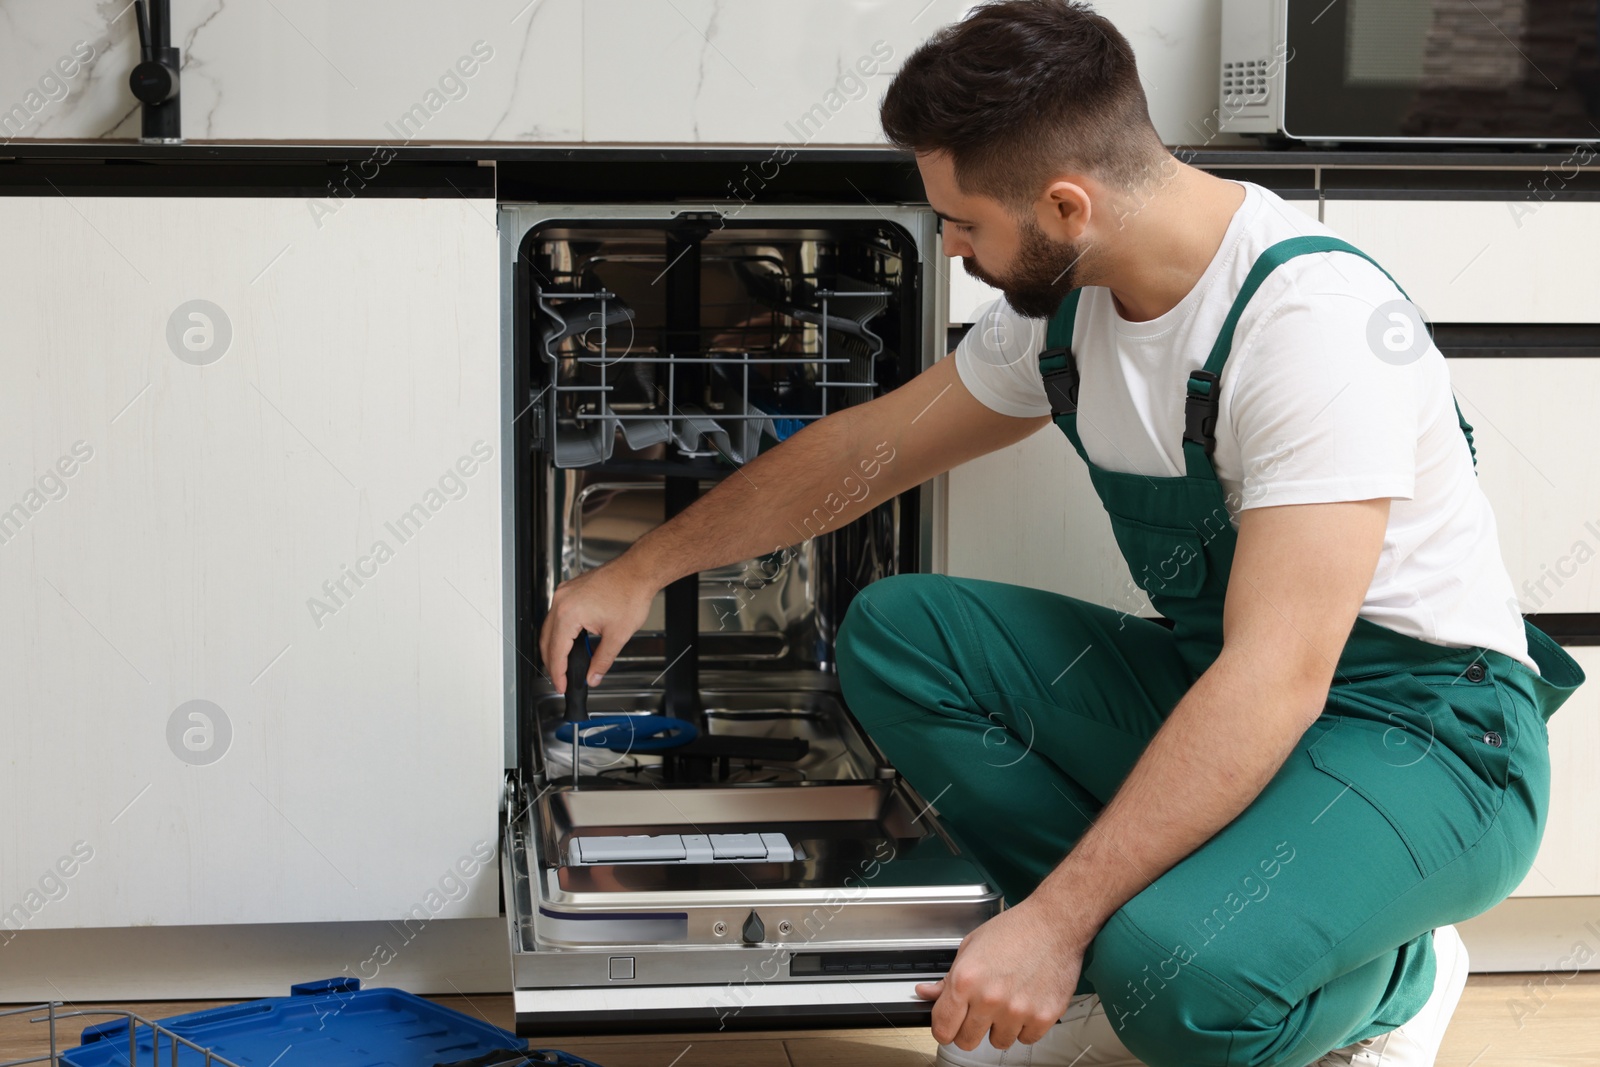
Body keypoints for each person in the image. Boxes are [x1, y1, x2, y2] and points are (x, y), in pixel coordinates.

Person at [538, 2, 1584, 1064]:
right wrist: (642, 565)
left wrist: (1051, 921)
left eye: (964, 222)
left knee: (1177, 984)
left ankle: (1397, 974)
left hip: (1427, 737)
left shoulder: (1309, 326)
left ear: (1066, 206)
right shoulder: (1068, 306)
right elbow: (868, 450)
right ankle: (1113, 946)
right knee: (904, 634)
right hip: (1221, 684)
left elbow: (1279, 676)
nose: (948, 246)